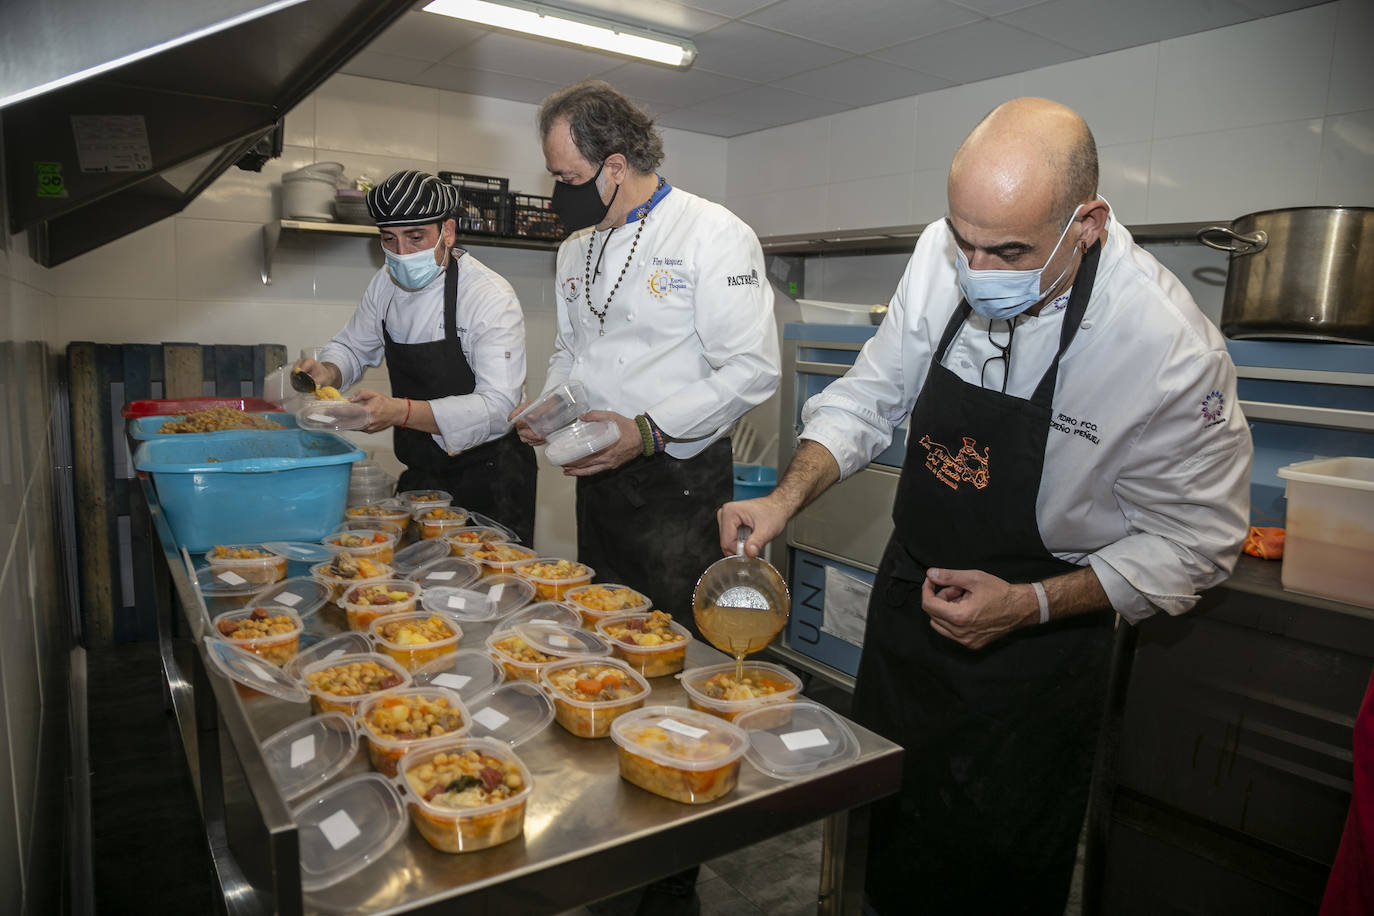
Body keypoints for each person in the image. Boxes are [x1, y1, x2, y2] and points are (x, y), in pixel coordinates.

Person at [718, 98, 1253, 915]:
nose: (977, 269)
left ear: (1087, 224)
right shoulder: (944, 256)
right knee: (881, 828)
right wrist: (783, 500)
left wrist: (1032, 604)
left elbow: (1197, 544)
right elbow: (870, 396)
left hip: (1036, 649)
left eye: (1008, 251)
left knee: (993, 872)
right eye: (963, 240)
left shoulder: (1166, 348)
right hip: (909, 609)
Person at [516, 79, 780, 640]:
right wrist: (551, 409)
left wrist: (645, 431)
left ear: (614, 166)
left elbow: (752, 368)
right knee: (602, 622)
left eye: (568, 179)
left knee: (669, 636)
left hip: (678, 480)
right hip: (599, 472)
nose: (560, 195)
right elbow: (572, 350)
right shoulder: (576, 247)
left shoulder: (712, 233)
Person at [295, 170, 537, 542]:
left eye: (416, 237)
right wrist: (327, 371)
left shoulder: (488, 295)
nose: (402, 254)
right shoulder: (384, 283)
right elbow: (353, 346)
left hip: (492, 479)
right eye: (388, 240)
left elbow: (498, 407)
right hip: (423, 476)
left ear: (448, 232)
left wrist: (401, 413)